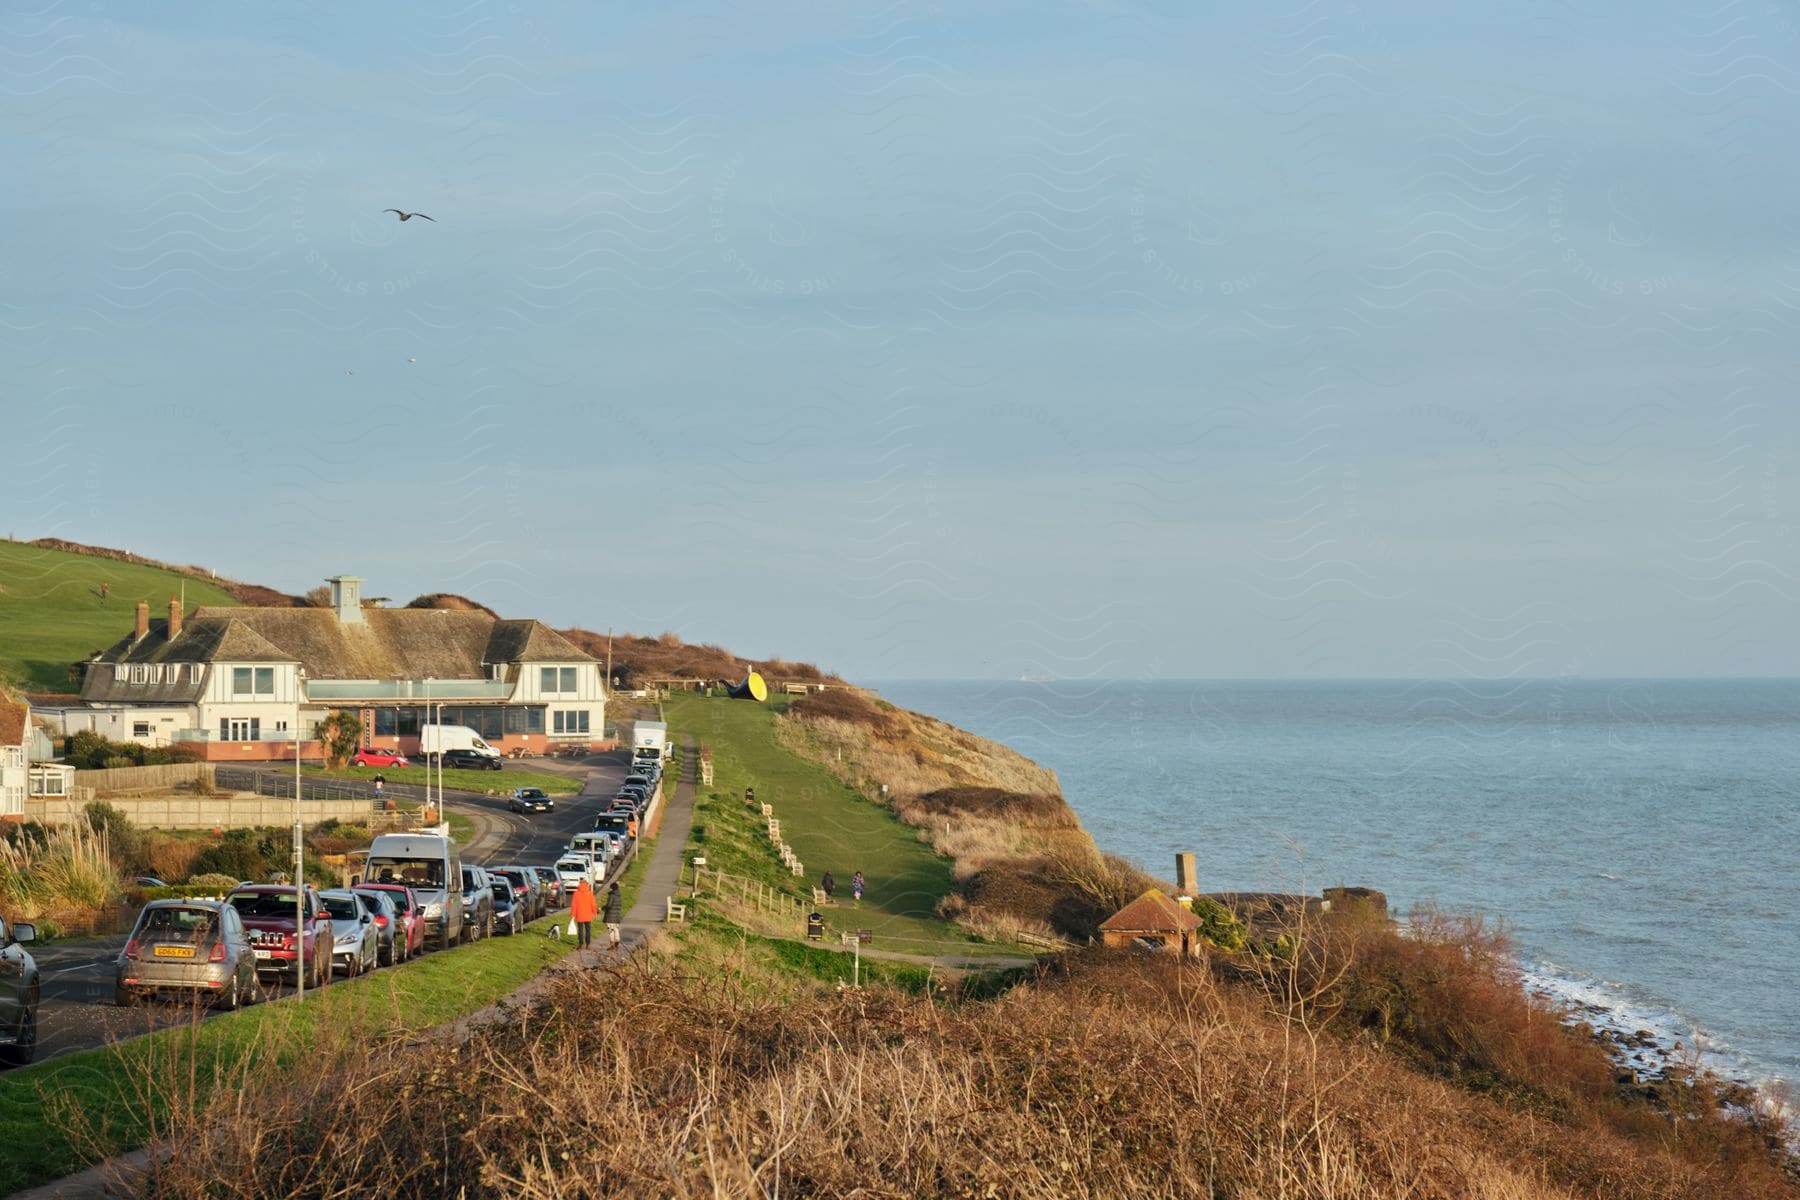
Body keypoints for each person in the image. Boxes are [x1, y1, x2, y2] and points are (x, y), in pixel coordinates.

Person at [570, 877, 597, 950]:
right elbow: (593, 904)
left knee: (580, 930)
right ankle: (588, 944)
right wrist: (594, 912)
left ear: (580, 884)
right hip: (588, 914)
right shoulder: (590, 894)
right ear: (587, 884)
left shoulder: (576, 894)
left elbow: (574, 905)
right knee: (588, 930)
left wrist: (572, 915)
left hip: (579, 914)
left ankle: (581, 944)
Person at [603, 882, 623, 953]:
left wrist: (603, 907)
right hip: (617, 916)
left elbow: (609, 905)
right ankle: (617, 943)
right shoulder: (619, 895)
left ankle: (612, 945)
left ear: (612, 888)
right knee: (616, 930)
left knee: (611, 930)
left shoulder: (612, 895)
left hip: (611, 916)